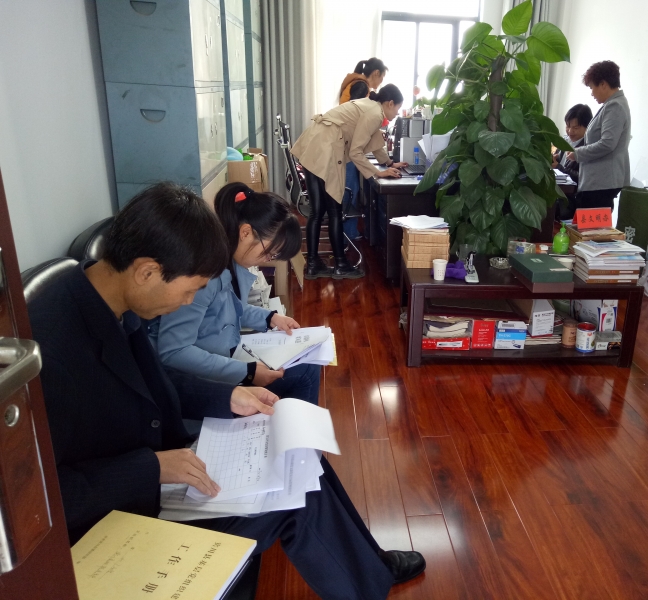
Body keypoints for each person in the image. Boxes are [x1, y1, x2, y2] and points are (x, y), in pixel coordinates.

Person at [28, 182, 425, 599]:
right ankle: (369, 576)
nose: (188, 303)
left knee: (297, 461)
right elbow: (43, 501)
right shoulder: (51, 355)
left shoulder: (109, 302)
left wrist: (227, 396)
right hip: (117, 523)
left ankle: (370, 565)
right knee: (294, 497)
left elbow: (154, 383)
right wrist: (153, 468)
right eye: (189, 290)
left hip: (159, 470)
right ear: (147, 271)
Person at [149, 182, 321, 405]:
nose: (267, 260)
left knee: (306, 365)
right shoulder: (203, 276)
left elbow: (228, 309)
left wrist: (270, 318)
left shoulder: (231, 261)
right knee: (305, 372)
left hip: (224, 354)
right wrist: (247, 372)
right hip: (197, 378)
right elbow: (174, 351)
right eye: (269, 253)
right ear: (245, 232)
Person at [292, 84, 408, 280]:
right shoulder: (374, 114)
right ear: (390, 103)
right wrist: (377, 173)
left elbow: (374, 141)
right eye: (398, 108)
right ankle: (341, 265)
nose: (397, 113)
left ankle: (312, 265)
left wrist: (389, 163)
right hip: (326, 148)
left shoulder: (371, 107)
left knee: (317, 211)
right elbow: (356, 152)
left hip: (315, 145)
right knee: (334, 210)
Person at [566, 60, 631, 210]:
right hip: (599, 182)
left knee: (592, 224)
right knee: (591, 224)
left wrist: (577, 153)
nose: (591, 93)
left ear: (603, 84)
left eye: (592, 87)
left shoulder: (615, 106)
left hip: (601, 183)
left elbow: (607, 144)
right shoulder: (613, 104)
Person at [338, 58, 388, 241]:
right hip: (346, 148)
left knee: (351, 190)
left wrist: (387, 161)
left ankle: (347, 233)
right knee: (350, 191)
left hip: (345, 144)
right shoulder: (361, 87)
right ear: (376, 73)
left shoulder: (355, 83)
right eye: (381, 78)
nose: (379, 83)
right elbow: (358, 119)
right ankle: (348, 235)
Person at [552, 103, 592, 220]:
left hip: (573, 200)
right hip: (559, 192)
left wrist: (559, 167)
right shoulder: (565, 142)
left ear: (587, 127)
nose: (570, 131)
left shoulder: (588, 149)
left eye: (576, 128)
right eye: (568, 126)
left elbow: (583, 178)